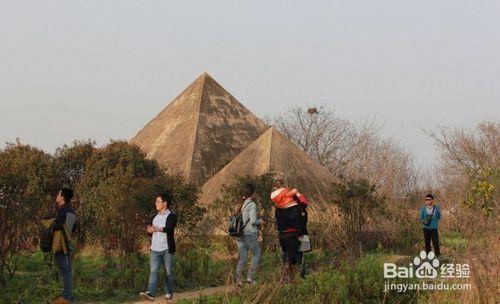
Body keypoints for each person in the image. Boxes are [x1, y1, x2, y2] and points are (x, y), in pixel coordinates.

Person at [140, 192, 177, 301]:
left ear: (165, 203)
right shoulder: (154, 217)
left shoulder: (172, 216)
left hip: (167, 249)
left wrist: (157, 228)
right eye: (156, 201)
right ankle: (150, 293)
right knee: (153, 271)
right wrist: (150, 230)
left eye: (158, 201)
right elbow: (151, 233)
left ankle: (169, 292)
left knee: (169, 272)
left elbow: (170, 229)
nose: (156, 203)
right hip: (155, 249)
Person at [271, 179, 303, 283]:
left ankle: (285, 277)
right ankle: (298, 278)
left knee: (285, 256)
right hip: (294, 234)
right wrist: (297, 195)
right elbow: (302, 211)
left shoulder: (278, 208)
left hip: (282, 235)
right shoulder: (295, 207)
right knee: (296, 256)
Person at [52, 187, 77, 304]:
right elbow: (74, 228)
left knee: (66, 272)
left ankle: (67, 297)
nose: (57, 196)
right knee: (67, 271)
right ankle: (67, 295)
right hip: (69, 244)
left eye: (58, 194)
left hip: (61, 245)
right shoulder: (72, 211)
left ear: (62, 197)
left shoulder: (62, 211)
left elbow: (56, 226)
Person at [235, 183, 263, 286]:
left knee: (243, 258)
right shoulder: (252, 204)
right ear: (253, 193)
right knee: (256, 255)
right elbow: (253, 221)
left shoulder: (241, 204)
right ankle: (250, 279)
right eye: (255, 192)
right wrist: (260, 221)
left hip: (239, 234)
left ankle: (238, 281)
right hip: (249, 234)